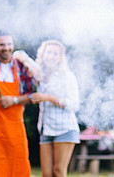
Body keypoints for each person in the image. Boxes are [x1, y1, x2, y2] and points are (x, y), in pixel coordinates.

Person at [0, 31, 35, 176]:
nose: (6, 48)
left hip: (15, 128)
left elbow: (32, 95)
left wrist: (14, 100)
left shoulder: (22, 67)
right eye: (2, 44)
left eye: (9, 44)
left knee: (18, 166)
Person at [30, 40, 80, 177]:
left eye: (55, 54)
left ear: (60, 58)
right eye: (49, 52)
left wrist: (48, 97)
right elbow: (19, 54)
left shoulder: (67, 76)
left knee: (58, 171)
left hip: (65, 129)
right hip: (46, 129)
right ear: (43, 54)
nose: (51, 56)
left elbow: (74, 104)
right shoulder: (40, 75)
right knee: (46, 174)